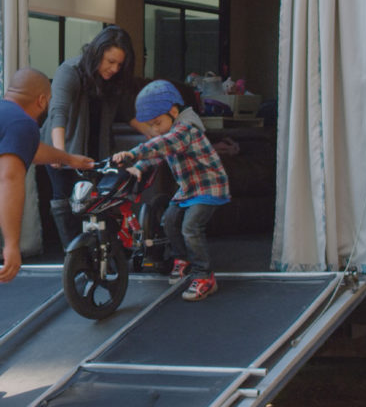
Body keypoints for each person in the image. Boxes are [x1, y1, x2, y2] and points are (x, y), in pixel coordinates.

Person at [112, 80, 230, 301]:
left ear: (174, 112)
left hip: (208, 187)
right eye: (151, 126)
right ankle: (183, 260)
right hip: (188, 188)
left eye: (157, 123)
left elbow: (158, 145)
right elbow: (157, 154)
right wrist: (137, 167)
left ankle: (204, 275)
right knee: (169, 220)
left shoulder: (185, 130)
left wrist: (134, 153)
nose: (155, 130)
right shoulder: (171, 134)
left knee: (191, 227)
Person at [41, 25, 151, 249]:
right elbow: (58, 112)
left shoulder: (115, 81)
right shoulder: (69, 70)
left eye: (119, 64)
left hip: (96, 148)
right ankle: (73, 255)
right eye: (110, 61)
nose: (114, 68)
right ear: (96, 52)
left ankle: (101, 255)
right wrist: (61, 154)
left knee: (98, 200)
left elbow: (127, 114)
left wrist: (158, 136)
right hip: (62, 144)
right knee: (65, 200)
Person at [0, 68, 94, 282]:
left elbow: (32, 149)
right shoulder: (22, 123)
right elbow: (10, 179)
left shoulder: (6, 117)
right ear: (42, 100)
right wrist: (12, 244)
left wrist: (69, 159)